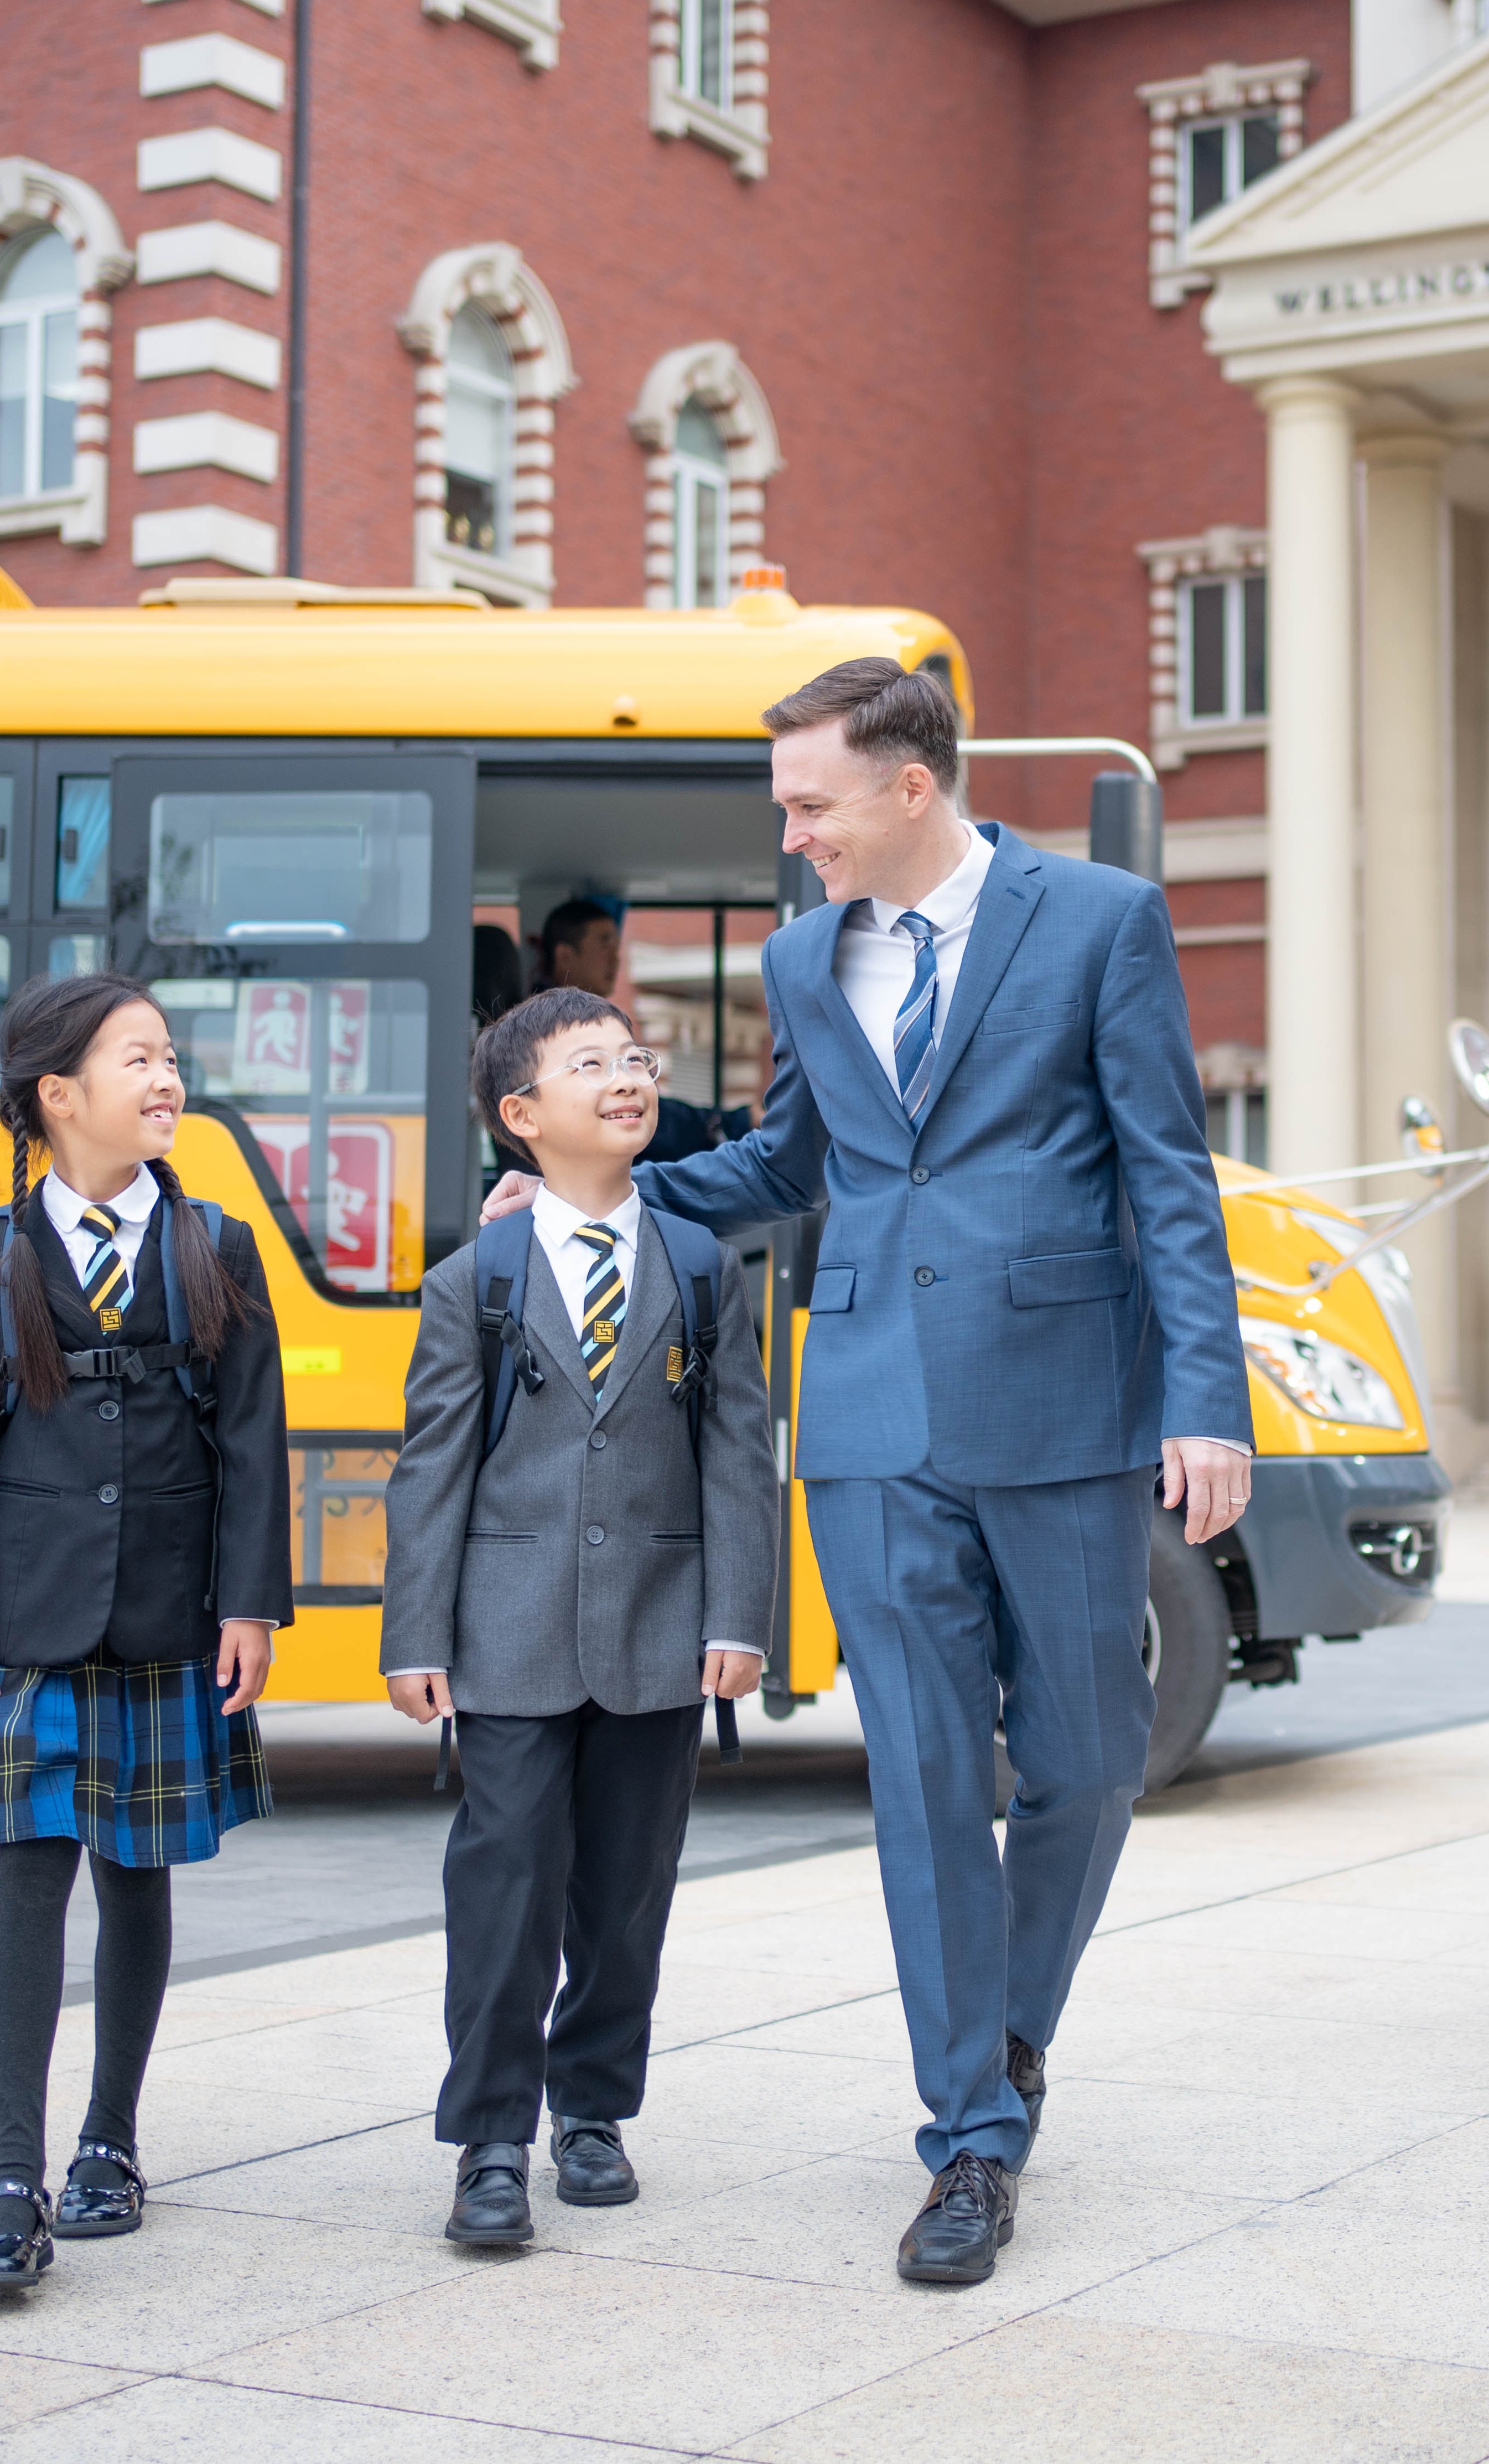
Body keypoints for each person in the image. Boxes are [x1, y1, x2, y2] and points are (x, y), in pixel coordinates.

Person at [486, 658, 1249, 2287]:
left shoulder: (1100, 917)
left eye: (808, 801)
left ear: (910, 786)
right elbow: (786, 1164)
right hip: (872, 1428)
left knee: (1090, 1756)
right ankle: (968, 2134)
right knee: (916, 1782)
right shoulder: (800, 952)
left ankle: (1008, 2025)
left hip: (1064, 1403)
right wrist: (584, 1195)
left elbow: (1167, 1169)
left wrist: (1210, 1399)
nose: (793, 831)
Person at [0, 973, 291, 2291]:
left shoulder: (220, 1245)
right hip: (26, 1619)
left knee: (139, 1876)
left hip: (171, 1613)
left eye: (171, 1056)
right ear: (57, 1094)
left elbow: (252, 1444)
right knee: (30, 1868)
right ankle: (11, 2179)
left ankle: (110, 2144)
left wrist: (250, 1604)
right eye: (140, 1057)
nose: (168, 1078)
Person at [380, 990, 773, 2248]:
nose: (627, 1078)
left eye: (635, 1059)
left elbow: (738, 1450)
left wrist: (741, 1614)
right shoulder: (476, 1278)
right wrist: (414, 1633)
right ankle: (489, 2138)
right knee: (502, 1887)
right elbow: (430, 1465)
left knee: (623, 1893)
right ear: (520, 1116)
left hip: (661, 1629)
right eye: (589, 1063)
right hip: (505, 1631)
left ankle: (591, 2111)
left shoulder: (703, 1268)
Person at [526, 896, 745, 1167]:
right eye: (604, 944)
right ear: (565, 956)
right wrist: (731, 1122)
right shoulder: (544, 1032)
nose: (616, 959)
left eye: (633, 1062)